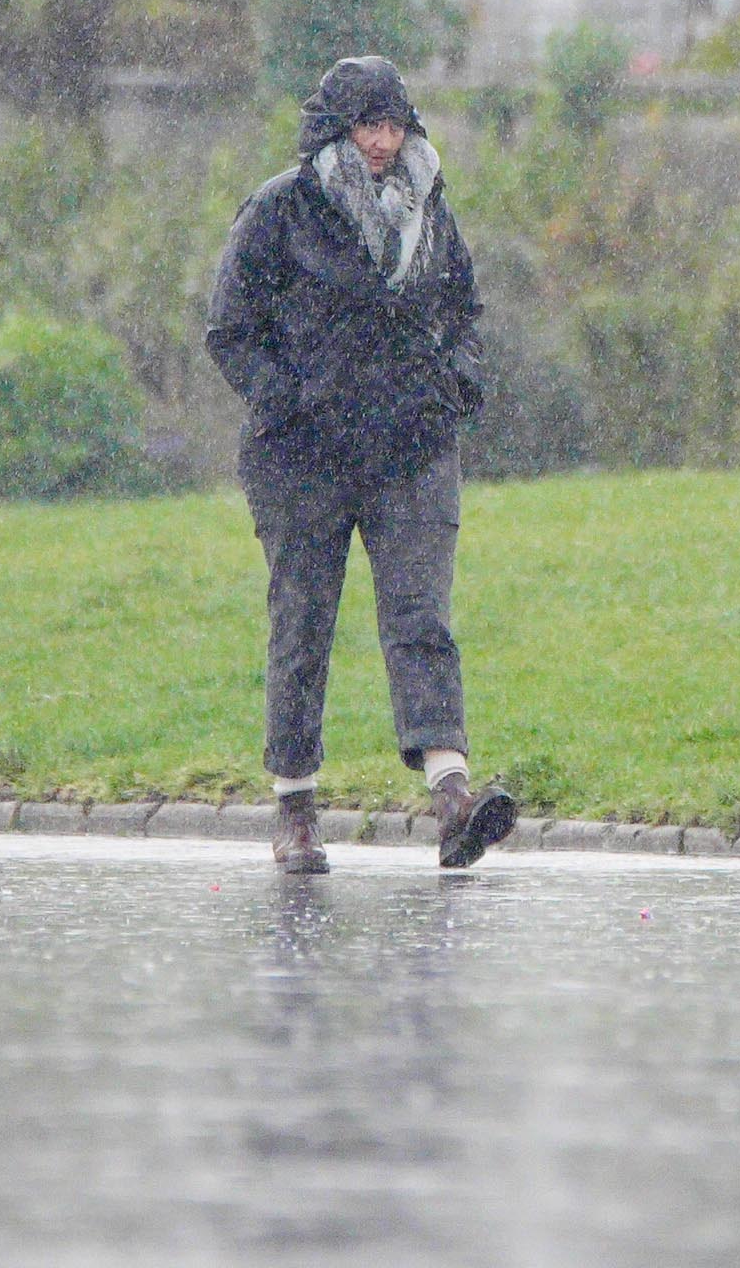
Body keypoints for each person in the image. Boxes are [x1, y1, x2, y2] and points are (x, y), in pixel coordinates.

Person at [206, 56, 518, 874]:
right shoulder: (282, 209)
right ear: (335, 130)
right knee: (302, 624)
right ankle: (296, 811)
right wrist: (287, 400)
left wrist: (458, 384)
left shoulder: (432, 209)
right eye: (365, 126)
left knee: (423, 618)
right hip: (303, 458)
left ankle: (453, 795)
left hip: (412, 448)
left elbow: (463, 312)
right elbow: (228, 327)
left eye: (393, 125)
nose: (382, 142)